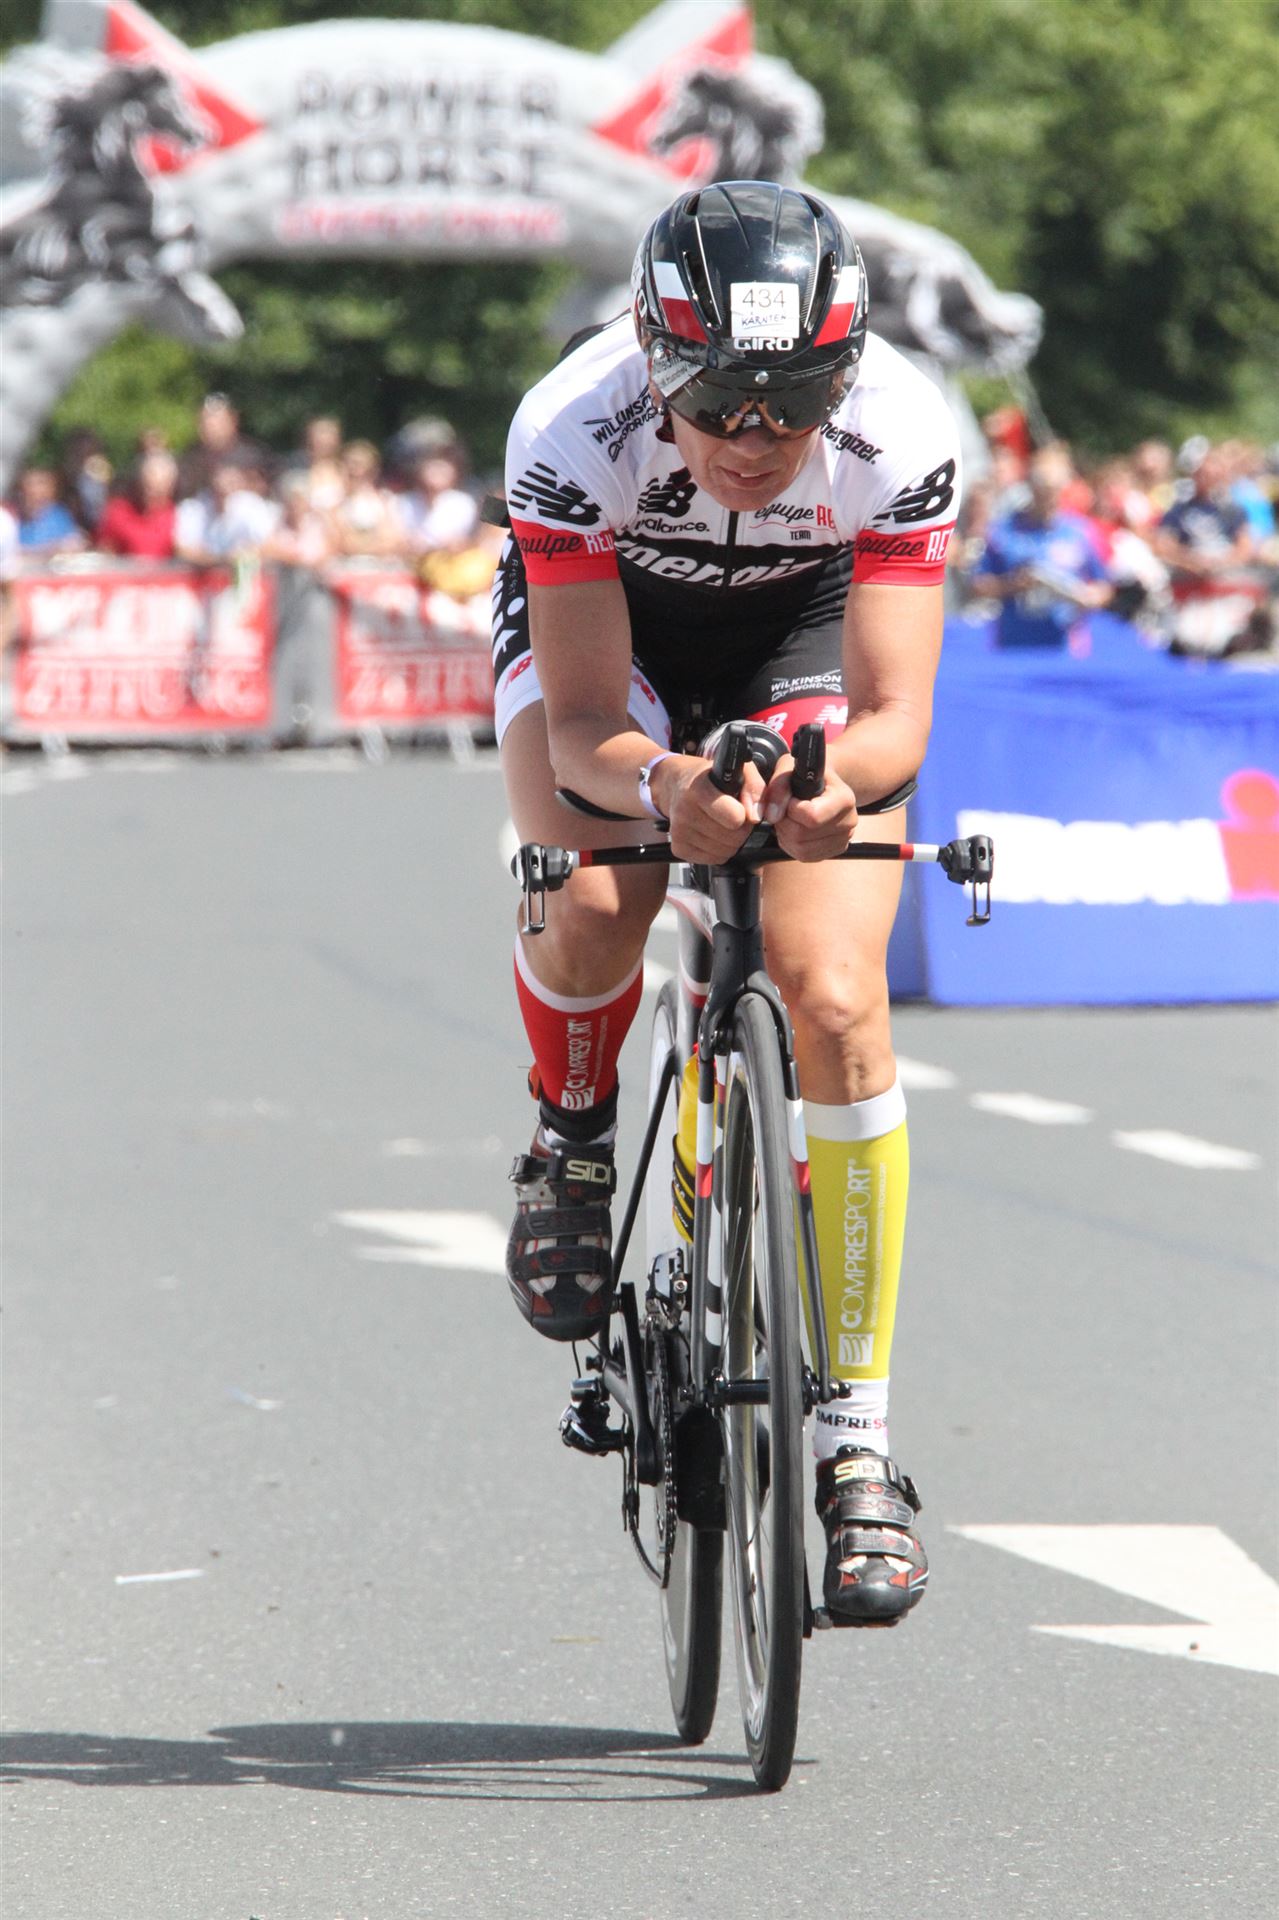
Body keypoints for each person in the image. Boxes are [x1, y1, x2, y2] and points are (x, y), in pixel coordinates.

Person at [493, 180, 963, 1626]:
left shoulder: (905, 430)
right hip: (621, 636)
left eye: (794, 405)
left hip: (802, 630)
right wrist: (662, 787)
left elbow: (892, 717)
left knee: (834, 996)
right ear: (655, 363)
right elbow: (582, 728)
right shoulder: (571, 428)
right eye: (716, 405)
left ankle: (856, 1447)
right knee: (595, 893)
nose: (754, 440)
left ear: (844, 377)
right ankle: (574, 1141)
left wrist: (830, 794)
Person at [969, 445, 1112, 649]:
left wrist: (1087, 597)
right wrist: (1014, 584)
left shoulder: (1080, 531)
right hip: (1016, 641)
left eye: (1055, 489)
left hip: (1066, 643)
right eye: (1043, 490)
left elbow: (1103, 585)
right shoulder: (1003, 531)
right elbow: (978, 584)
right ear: (1031, 486)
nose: (1048, 497)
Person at [174, 460, 278, 565]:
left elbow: (269, 543)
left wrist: (245, 552)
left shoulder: (252, 505)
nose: (224, 489)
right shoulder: (193, 508)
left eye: (231, 483)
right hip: (203, 573)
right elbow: (183, 549)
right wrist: (220, 560)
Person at [95, 451, 180, 560]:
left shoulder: (179, 516)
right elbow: (104, 551)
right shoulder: (118, 511)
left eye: (159, 488)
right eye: (147, 485)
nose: (151, 493)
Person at [12, 467, 85, 558]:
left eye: (43, 484)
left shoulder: (59, 514)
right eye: (33, 484)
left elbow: (72, 541)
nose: (39, 489)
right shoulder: (14, 514)